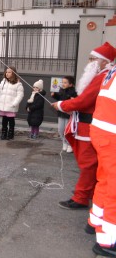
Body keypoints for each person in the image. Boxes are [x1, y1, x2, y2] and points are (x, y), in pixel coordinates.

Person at [51, 42, 116, 210]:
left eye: (92, 59)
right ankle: (87, 191)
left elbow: (84, 101)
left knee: (87, 164)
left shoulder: (103, 76)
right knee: (88, 163)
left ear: (103, 61)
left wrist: (62, 105)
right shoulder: (103, 75)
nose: (89, 62)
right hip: (89, 124)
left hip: (90, 126)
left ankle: (81, 197)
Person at [88, 63, 116, 257]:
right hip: (111, 133)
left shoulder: (112, 70)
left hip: (103, 132)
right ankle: (108, 241)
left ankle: (95, 221)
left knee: (105, 181)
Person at [0, 66, 24, 140]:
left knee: (11, 120)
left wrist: (14, 103)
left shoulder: (18, 84)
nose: (7, 74)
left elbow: (20, 95)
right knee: (4, 120)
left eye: (9, 72)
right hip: (3, 105)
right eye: (6, 72)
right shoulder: (3, 82)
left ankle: (11, 133)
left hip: (11, 106)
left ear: (13, 73)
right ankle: (3, 133)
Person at [51, 76, 77, 152]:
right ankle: (64, 142)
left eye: (65, 82)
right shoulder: (61, 90)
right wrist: (55, 95)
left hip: (69, 114)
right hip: (61, 113)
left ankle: (70, 144)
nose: (63, 84)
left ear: (71, 84)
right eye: (62, 82)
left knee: (67, 130)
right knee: (60, 129)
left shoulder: (73, 92)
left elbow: (74, 102)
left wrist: (73, 99)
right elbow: (59, 98)